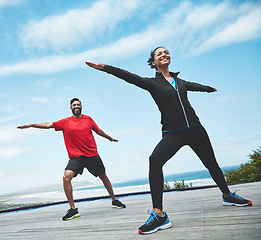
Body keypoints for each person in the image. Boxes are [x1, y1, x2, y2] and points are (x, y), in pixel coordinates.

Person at [85, 47, 252, 235]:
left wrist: (208, 89)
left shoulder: (179, 81)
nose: (164, 54)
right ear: (154, 63)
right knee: (155, 161)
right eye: (159, 54)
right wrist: (105, 67)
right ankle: (159, 214)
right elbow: (128, 76)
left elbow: (193, 85)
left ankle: (227, 196)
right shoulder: (152, 84)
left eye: (166, 52)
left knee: (211, 163)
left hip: (196, 130)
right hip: (174, 133)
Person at [17, 97, 126, 221]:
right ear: (71, 108)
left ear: (81, 106)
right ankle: (73, 209)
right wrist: (32, 125)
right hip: (76, 157)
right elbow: (48, 125)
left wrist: (109, 138)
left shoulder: (88, 119)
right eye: (74, 105)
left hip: (92, 154)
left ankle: (114, 200)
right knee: (66, 177)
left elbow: (98, 131)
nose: (76, 106)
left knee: (103, 176)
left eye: (78, 104)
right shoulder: (65, 122)